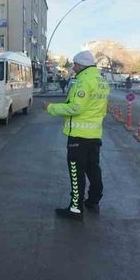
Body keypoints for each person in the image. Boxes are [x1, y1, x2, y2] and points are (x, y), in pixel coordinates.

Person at [43, 49, 109, 219]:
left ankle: (75, 208)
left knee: (76, 171)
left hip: (79, 135)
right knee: (93, 169)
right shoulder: (101, 80)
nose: (73, 67)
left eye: (75, 64)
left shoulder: (83, 81)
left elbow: (75, 107)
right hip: (94, 134)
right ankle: (93, 200)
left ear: (81, 65)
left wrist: (51, 107)